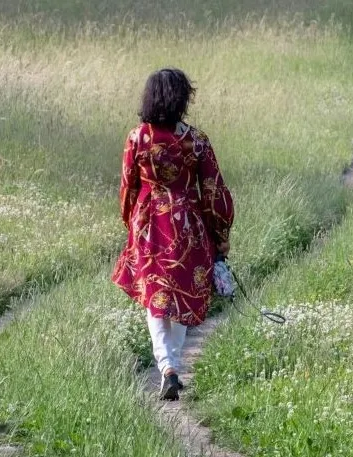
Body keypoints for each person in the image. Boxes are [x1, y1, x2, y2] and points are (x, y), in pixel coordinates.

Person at [112, 68, 234, 401]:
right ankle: (173, 364)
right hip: (188, 226)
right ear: (182, 99)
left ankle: (166, 367)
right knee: (181, 297)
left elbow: (127, 188)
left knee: (155, 299)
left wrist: (131, 223)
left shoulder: (138, 138)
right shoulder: (196, 141)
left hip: (149, 224)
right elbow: (213, 190)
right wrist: (220, 232)